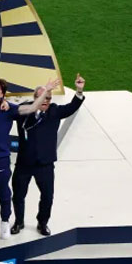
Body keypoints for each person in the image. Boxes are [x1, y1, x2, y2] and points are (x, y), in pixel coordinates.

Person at [0, 78, 58, 240]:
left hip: (0, 158)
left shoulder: (10, 109)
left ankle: (5, 222)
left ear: (3, 94)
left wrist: (46, 90)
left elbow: (33, 107)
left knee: (4, 193)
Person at [11, 74, 86, 236]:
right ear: (35, 98)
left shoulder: (54, 111)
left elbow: (72, 107)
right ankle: (19, 221)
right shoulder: (25, 111)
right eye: (43, 97)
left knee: (47, 196)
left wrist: (79, 91)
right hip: (24, 163)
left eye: (49, 97)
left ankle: (42, 222)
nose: (46, 100)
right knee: (18, 195)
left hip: (45, 164)